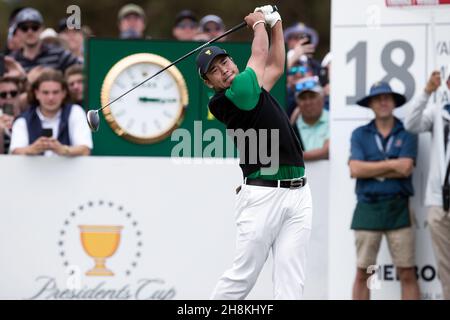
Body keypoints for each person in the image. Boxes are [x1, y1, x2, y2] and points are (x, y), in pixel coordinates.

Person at [196, 6, 312, 299]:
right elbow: (260, 55)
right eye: (215, 71)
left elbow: (274, 66)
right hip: (263, 196)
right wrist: (259, 23)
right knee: (242, 278)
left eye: (224, 62)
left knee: (291, 279)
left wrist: (277, 25)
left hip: (298, 192)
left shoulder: (251, 86)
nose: (224, 70)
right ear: (209, 83)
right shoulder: (228, 98)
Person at [349, 81, 420, 300]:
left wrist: (372, 168)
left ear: (394, 102)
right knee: (365, 272)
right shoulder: (360, 134)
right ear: (370, 104)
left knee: (407, 271)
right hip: (367, 207)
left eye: (387, 97)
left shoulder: (407, 132)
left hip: (398, 207)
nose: (383, 101)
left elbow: (406, 168)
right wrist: (392, 164)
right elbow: (355, 169)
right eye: (378, 98)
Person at [404, 71, 450, 300]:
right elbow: (411, 124)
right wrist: (426, 91)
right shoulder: (439, 112)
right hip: (439, 202)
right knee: (445, 268)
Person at [9, 69, 92, 157]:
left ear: (64, 93)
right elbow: (15, 151)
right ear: (36, 93)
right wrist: (32, 149)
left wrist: (62, 149)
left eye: (55, 92)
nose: (51, 97)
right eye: (45, 92)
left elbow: (85, 150)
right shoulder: (23, 119)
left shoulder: (75, 112)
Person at [8, 7, 81, 73]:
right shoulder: (12, 61)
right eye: (24, 28)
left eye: (35, 27)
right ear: (17, 31)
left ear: (42, 28)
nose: (30, 32)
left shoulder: (59, 54)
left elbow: (85, 69)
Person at [290, 77, 329, 161]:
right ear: (297, 102)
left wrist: (293, 156)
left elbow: (326, 151)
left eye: (312, 97)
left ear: (322, 98)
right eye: (303, 98)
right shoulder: (292, 128)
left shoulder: (333, 123)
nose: (308, 102)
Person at [0, 77, 22, 154]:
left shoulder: (30, 118)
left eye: (13, 93)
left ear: (19, 95)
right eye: (3, 94)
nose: (8, 97)